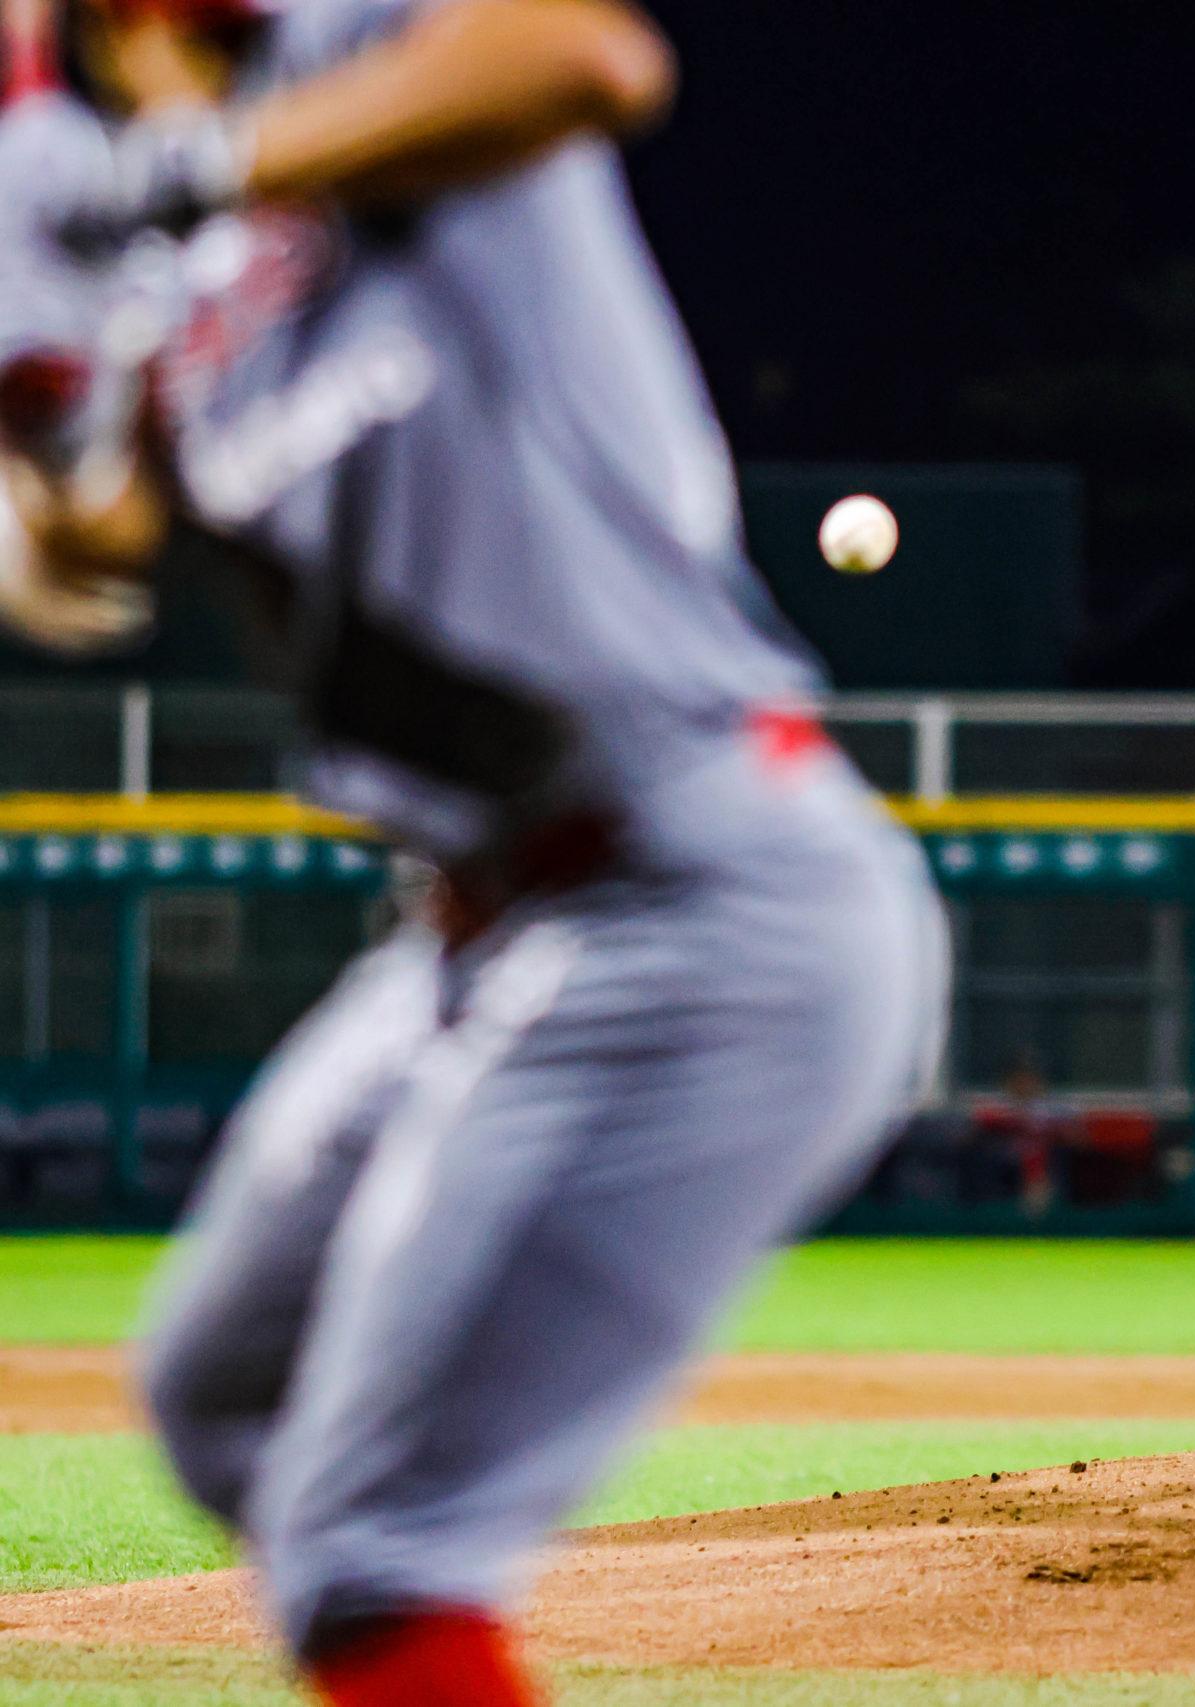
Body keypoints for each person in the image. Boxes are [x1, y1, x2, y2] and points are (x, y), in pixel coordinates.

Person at [0, 2, 948, 1701]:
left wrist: (169, 174)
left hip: (702, 882)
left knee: (376, 1551)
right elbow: (108, 521)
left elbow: (582, 58)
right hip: (485, 926)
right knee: (226, 1394)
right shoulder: (167, 274)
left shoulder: (345, 70)